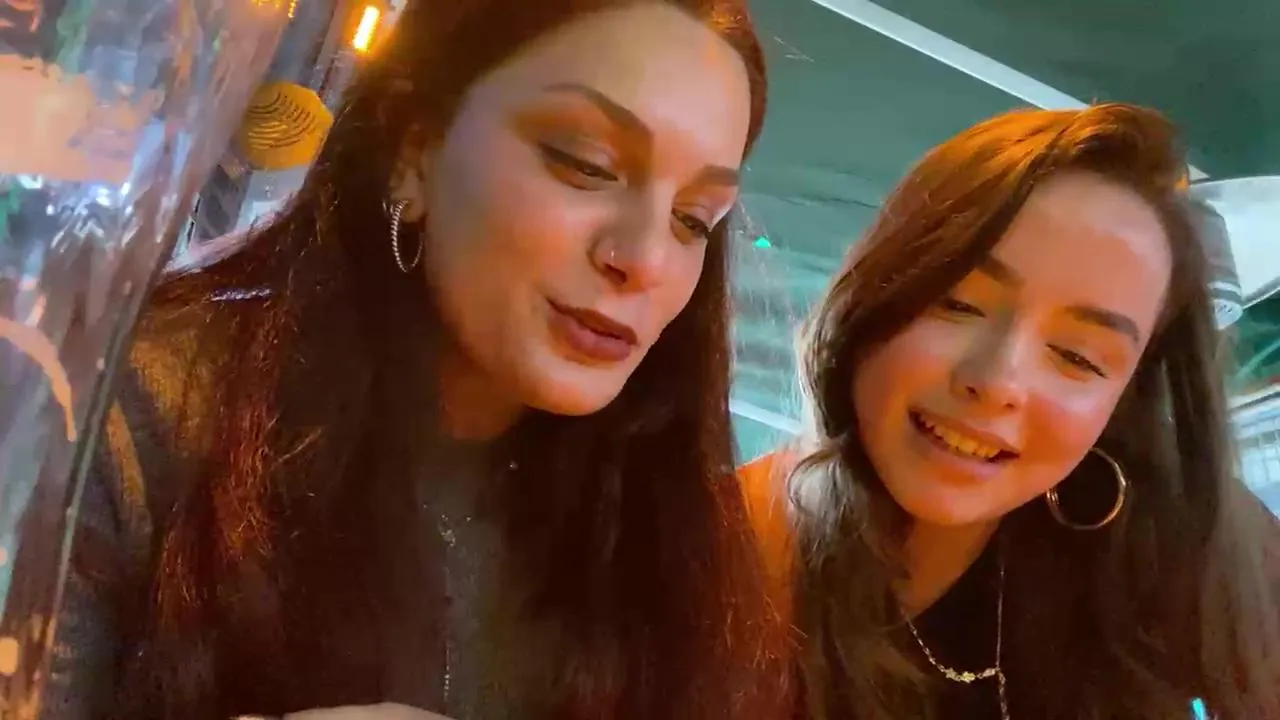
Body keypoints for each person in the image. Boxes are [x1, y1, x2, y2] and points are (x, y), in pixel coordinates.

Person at [43, 1, 789, 718]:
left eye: (694, 220)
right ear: (415, 147)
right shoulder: (129, 416)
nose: (646, 258)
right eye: (586, 164)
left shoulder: (655, 526)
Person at [741, 104, 1280, 719]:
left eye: (1077, 356)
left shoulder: (1181, 533)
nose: (998, 382)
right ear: (871, 293)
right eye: (959, 304)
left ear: (1121, 402)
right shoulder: (728, 559)